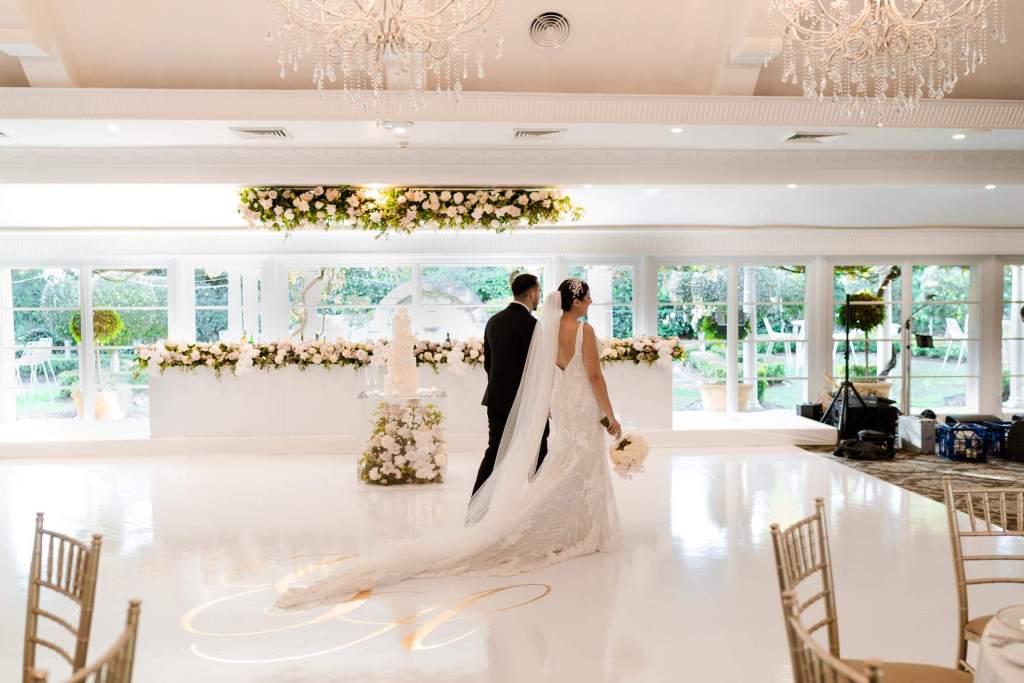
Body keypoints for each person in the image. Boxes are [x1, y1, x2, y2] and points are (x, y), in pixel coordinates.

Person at [276, 278, 623, 609]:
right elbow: (594, 375)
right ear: (575, 300)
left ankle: (550, 518)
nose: (591, 301)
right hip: (580, 402)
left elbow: (520, 367)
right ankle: (578, 524)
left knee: (556, 460)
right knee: (574, 461)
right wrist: (609, 415)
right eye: (588, 296)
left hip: (558, 402)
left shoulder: (536, 327)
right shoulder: (582, 330)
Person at [474, 272, 549, 494]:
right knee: (539, 450)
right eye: (539, 294)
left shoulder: (493, 321)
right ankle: (539, 503)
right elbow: (537, 368)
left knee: (495, 451)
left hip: (496, 400)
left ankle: (475, 504)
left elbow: (488, 364)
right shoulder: (532, 325)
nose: (538, 298)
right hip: (527, 401)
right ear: (532, 294)